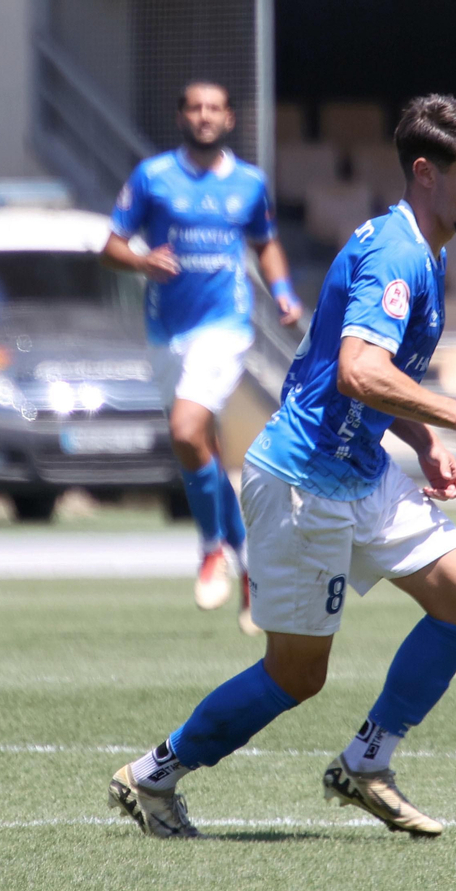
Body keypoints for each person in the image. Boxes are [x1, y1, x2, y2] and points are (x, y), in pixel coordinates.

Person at [108, 94, 456, 839]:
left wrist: (421, 440)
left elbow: (371, 373)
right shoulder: (398, 254)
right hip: (302, 481)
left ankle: (366, 762)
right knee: (297, 675)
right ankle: (152, 776)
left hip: (360, 469)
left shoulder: (421, 247)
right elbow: (357, 371)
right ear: (426, 173)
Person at [102, 80, 303, 634]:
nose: (204, 116)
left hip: (225, 327)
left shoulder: (249, 183)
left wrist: (283, 291)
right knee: (199, 448)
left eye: (214, 108)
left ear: (229, 119)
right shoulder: (153, 177)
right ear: (181, 116)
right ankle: (251, 569)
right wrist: (141, 262)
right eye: (195, 108)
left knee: (187, 430)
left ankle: (212, 547)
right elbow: (111, 247)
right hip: (166, 331)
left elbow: (265, 242)